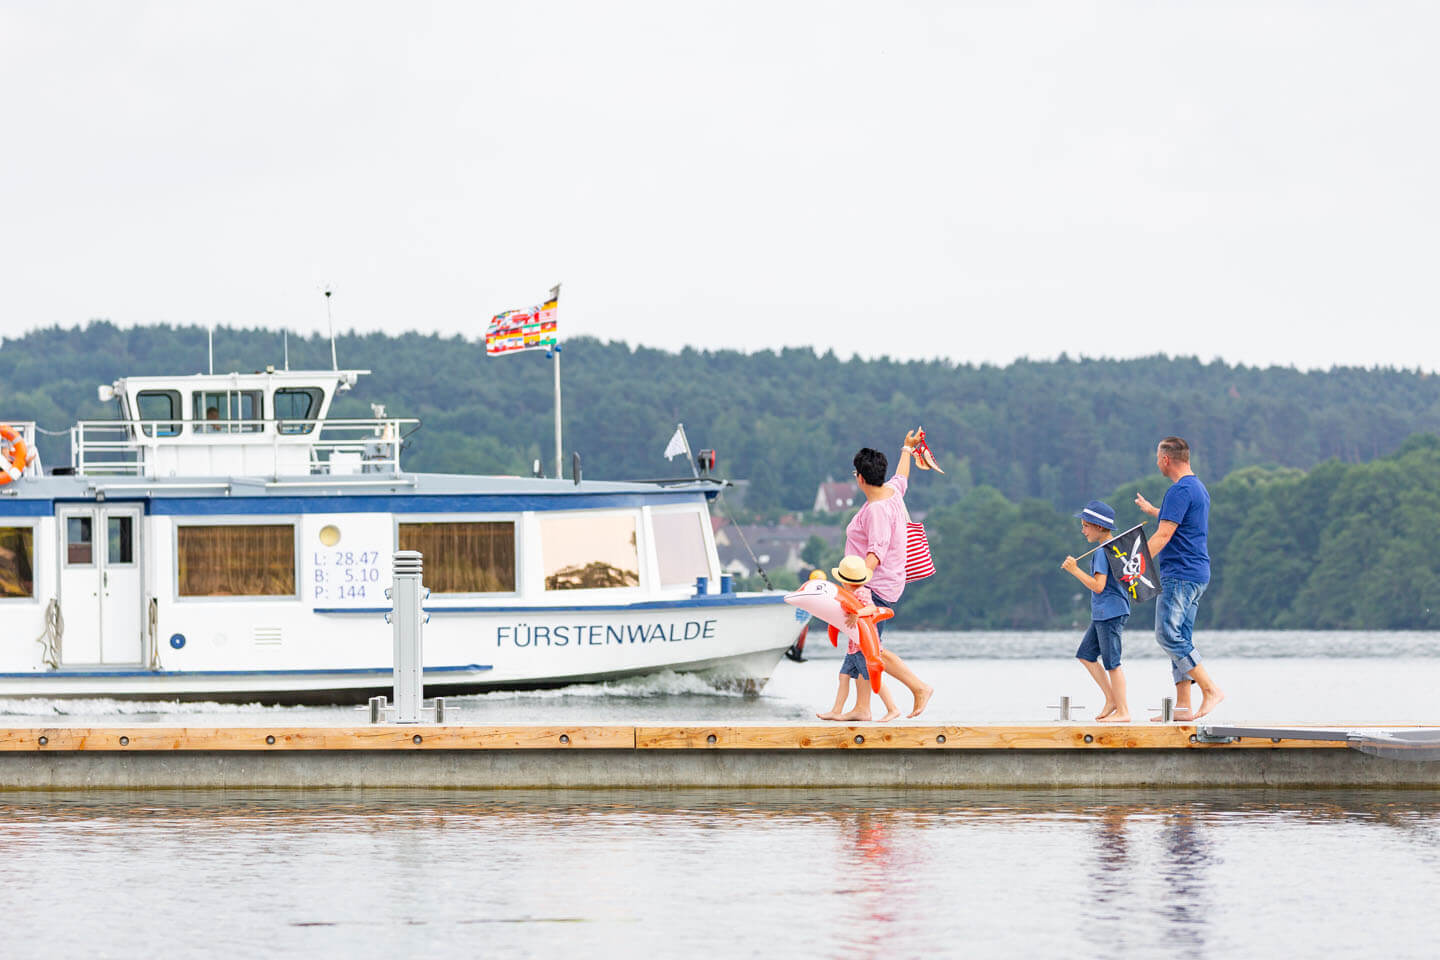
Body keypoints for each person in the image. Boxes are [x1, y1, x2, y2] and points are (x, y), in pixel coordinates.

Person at [1135, 436, 1225, 721]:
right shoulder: (1197, 488)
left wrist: (1135, 564)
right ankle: (1184, 707)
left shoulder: (1178, 491)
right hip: (1198, 573)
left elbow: (1163, 534)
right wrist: (1153, 511)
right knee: (1182, 637)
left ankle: (1210, 690)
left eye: (1156, 457)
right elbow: (1178, 519)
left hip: (1180, 574)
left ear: (1165, 459)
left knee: (1167, 635)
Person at [845, 433, 934, 717]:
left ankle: (918, 687)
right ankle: (861, 707)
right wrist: (907, 448)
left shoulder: (877, 510)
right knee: (861, 646)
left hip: (875, 587)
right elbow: (903, 475)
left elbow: (876, 552)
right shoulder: (892, 492)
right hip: (887, 583)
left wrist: (857, 582)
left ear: (860, 478)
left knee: (873, 649)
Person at [1061, 500, 1131, 723]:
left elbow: (1099, 586)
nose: (1082, 530)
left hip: (1110, 613)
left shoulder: (1103, 551)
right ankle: (1112, 700)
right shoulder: (1108, 548)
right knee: (1086, 655)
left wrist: (1074, 570)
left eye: (1085, 526)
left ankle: (1124, 711)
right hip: (1102, 613)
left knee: (1113, 663)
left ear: (1099, 527)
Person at [816, 556, 901, 722]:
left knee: (874, 678)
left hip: (865, 647)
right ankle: (836, 710)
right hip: (854, 647)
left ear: (845, 581)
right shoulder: (849, 594)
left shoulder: (862, 592)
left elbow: (871, 608)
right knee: (843, 676)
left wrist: (857, 614)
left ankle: (893, 708)